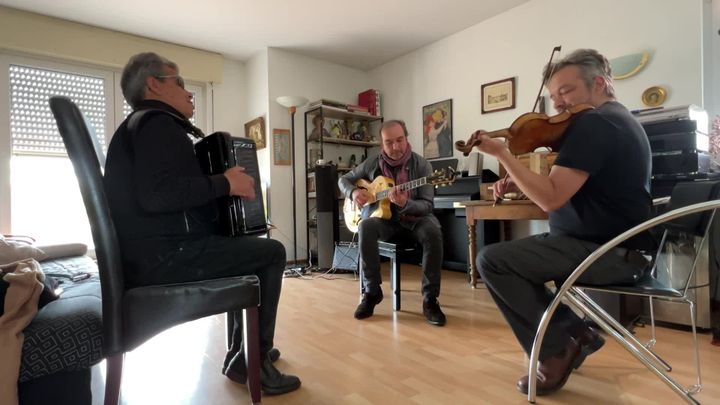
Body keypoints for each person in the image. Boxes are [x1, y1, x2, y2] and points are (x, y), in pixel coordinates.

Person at [103, 52, 300, 395]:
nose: (188, 91)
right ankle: (256, 360)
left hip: (151, 256)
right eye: (178, 82)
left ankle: (246, 353)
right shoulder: (157, 124)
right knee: (271, 253)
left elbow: (162, 194)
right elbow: (158, 195)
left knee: (251, 251)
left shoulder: (141, 126)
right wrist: (226, 183)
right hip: (166, 258)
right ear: (153, 84)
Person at [472, 49, 652, 395]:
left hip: (607, 254)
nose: (557, 104)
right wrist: (517, 180)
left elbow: (551, 198)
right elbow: (574, 192)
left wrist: (502, 154)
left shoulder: (597, 123)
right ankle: (575, 333)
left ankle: (560, 346)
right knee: (508, 259)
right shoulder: (617, 120)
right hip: (611, 249)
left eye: (566, 92)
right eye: (553, 96)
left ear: (599, 83)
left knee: (493, 260)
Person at [339, 120, 446, 326]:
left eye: (400, 140)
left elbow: (427, 206)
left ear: (406, 138)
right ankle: (372, 292)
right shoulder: (372, 163)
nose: (396, 147)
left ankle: (430, 300)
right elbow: (343, 180)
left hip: (416, 220)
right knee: (365, 226)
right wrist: (353, 192)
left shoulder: (422, 165)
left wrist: (405, 203)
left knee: (433, 231)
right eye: (389, 143)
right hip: (386, 221)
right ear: (382, 145)